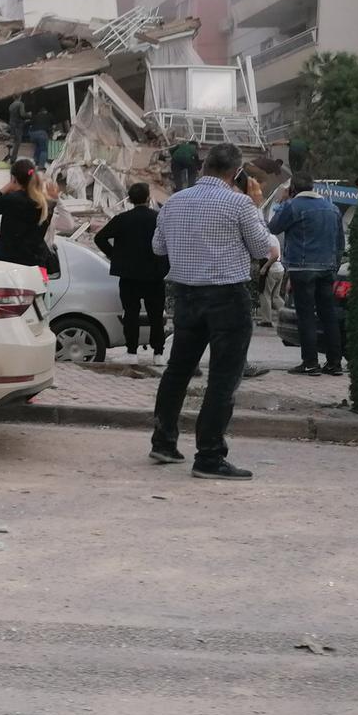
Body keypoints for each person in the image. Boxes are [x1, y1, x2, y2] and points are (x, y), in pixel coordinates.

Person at [150, 142, 279, 481]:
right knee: (223, 377)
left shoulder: (174, 201)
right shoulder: (239, 204)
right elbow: (261, 248)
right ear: (236, 172)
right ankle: (209, 455)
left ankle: (163, 442)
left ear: (204, 166)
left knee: (178, 370)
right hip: (227, 296)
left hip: (185, 294)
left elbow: (158, 247)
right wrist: (255, 211)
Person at [269, 171, 345, 375]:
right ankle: (335, 363)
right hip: (327, 268)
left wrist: (282, 201)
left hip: (302, 268)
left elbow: (273, 227)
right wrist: (334, 265)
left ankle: (310, 362)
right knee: (328, 315)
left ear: (293, 188)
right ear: (312, 186)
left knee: (306, 316)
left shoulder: (293, 206)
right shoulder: (332, 208)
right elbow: (340, 242)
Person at [94, 182, 169, 357]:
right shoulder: (158, 219)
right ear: (148, 198)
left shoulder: (122, 219)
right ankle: (158, 353)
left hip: (129, 276)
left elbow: (100, 238)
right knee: (156, 316)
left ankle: (131, 351)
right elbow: (171, 242)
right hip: (154, 276)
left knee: (131, 315)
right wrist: (165, 263)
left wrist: (114, 255)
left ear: (130, 199)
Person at [0, 159, 53, 268]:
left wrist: (5, 189)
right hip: (36, 264)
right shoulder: (44, 203)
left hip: (12, 264)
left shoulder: (12, 200)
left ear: (13, 178)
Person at [7, 96, 27, 163]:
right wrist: (28, 115)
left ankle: (9, 157)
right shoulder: (20, 104)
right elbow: (22, 114)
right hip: (18, 125)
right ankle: (13, 159)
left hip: (12, 125)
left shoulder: (11, 105)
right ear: (20, 97)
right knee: (17, 142)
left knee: (13, 140)